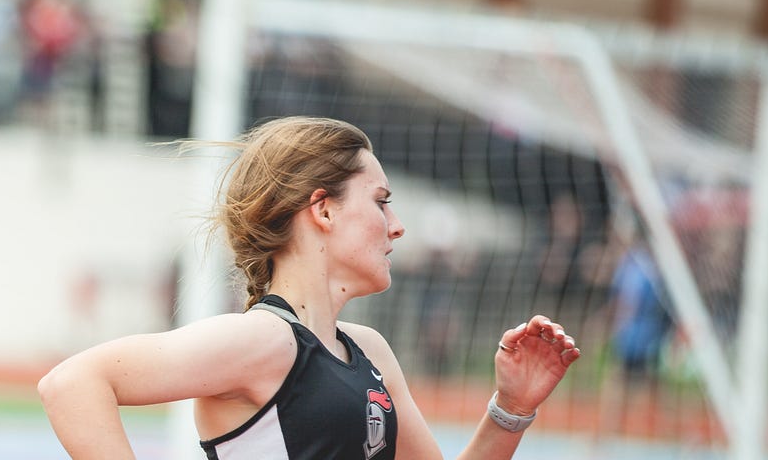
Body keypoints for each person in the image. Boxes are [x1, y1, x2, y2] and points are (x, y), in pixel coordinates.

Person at [38, 117, 582, 459]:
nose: (397, 225)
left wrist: (511, 408)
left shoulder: (370, 352)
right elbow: (72, 384)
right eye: (381, 200)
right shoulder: (264, 342)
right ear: (322, 209)